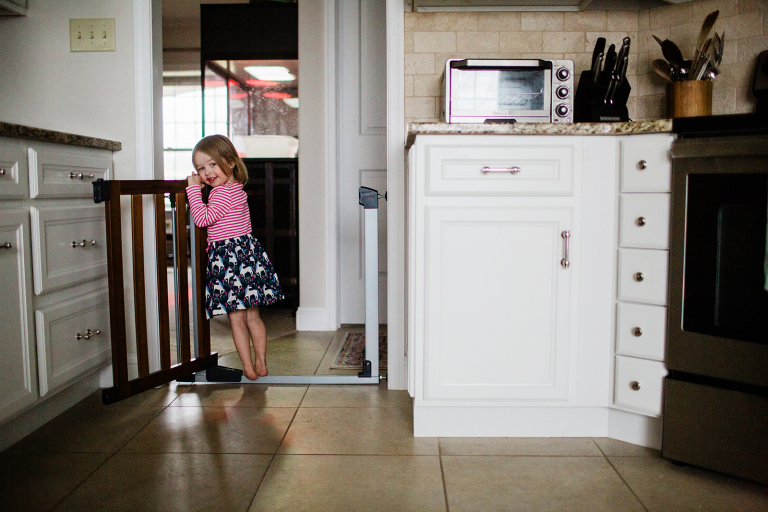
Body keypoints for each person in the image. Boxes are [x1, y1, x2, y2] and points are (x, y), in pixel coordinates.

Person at [186, 134, 284, 380]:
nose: (206, 172)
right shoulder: (237, 189)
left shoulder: (220, 194)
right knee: (253, 317)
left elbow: (202, 219)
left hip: (229, 263)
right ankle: (261, 361)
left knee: (236, 320)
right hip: (248, 256)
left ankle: (248, 368)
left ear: (230, 162)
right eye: (200, 168)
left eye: (212, 164)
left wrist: (192, 191)